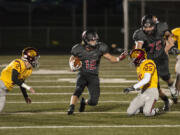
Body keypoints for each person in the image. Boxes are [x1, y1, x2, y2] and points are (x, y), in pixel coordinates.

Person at [67, 29, 127, 115]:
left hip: (93, 76)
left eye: (95, 40)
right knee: (78, 90)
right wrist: (72, 66)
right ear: (86, 40)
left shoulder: (100, 47)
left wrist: (119, 58)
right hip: (82, 74)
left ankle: (84, 102)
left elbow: (111, 58)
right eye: (92, 40)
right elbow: (72, 58)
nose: (94, 42)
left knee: (94, 101)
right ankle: (71, 107)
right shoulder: (78, 48)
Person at [133, 14, 176, 111]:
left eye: (150, 27)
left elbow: (169, 36)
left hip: (161, 58)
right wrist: (137, 57)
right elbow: (138, 47)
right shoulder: (139, 34)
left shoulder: (161, 27)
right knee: (155, 87)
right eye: (145, 27)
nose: (148, 29)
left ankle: (172, 89)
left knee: (166, 77)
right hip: (149, 62)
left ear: (155, 25)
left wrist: (171, 46)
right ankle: (166, 101)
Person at [0, 47, 40, 112]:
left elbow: (21, 82)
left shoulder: (29, 70)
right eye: (35, 59)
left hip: (3, 90)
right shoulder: (18, 63)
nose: (36, 61)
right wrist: (28, 87)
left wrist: (25, 96)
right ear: (29, 58)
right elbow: (14, 79)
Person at [124, 49, 159, 116]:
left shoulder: (148, 63)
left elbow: (147, 79)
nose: (133, 60)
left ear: (139, 58)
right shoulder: (140, 66)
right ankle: (142, 108)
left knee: (147, 113)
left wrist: (133, 87)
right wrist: (138, 88)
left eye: (133, 58)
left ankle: (154, 110)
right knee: (130, 112)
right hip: (143, 91)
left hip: (152, 91)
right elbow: (142, 82)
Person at [170, 27, 180, 103]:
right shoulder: (177, 31)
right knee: (178, 76)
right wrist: (173, 47)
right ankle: (175, 94)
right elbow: (170, 41)